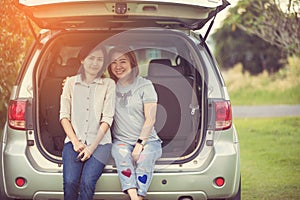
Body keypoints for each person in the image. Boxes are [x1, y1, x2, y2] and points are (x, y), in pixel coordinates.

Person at [59, 44, 116, 200]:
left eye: (100, 59)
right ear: (82, 59)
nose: (95, 63)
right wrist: (75, 142)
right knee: (70, 182)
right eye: (91, 58)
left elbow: (107, 118)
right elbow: (64, 116)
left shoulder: (109, 85)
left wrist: (91, 148)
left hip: (101, 144)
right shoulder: (70, 83)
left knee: (87, 182)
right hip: (74, 142)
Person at [108, 46, 162, 200]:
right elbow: (88, 88)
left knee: (144, 159)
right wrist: (69, 82)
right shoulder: (109, 86)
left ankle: (140, 195)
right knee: (122, 155)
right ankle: (134, 197)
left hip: (149, 141)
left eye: (123, 61)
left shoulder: (145, 85)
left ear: (132, 63)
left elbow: (150, 119)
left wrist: (139, 144)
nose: (118, 66)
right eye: (114, 62)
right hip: (122, 141)